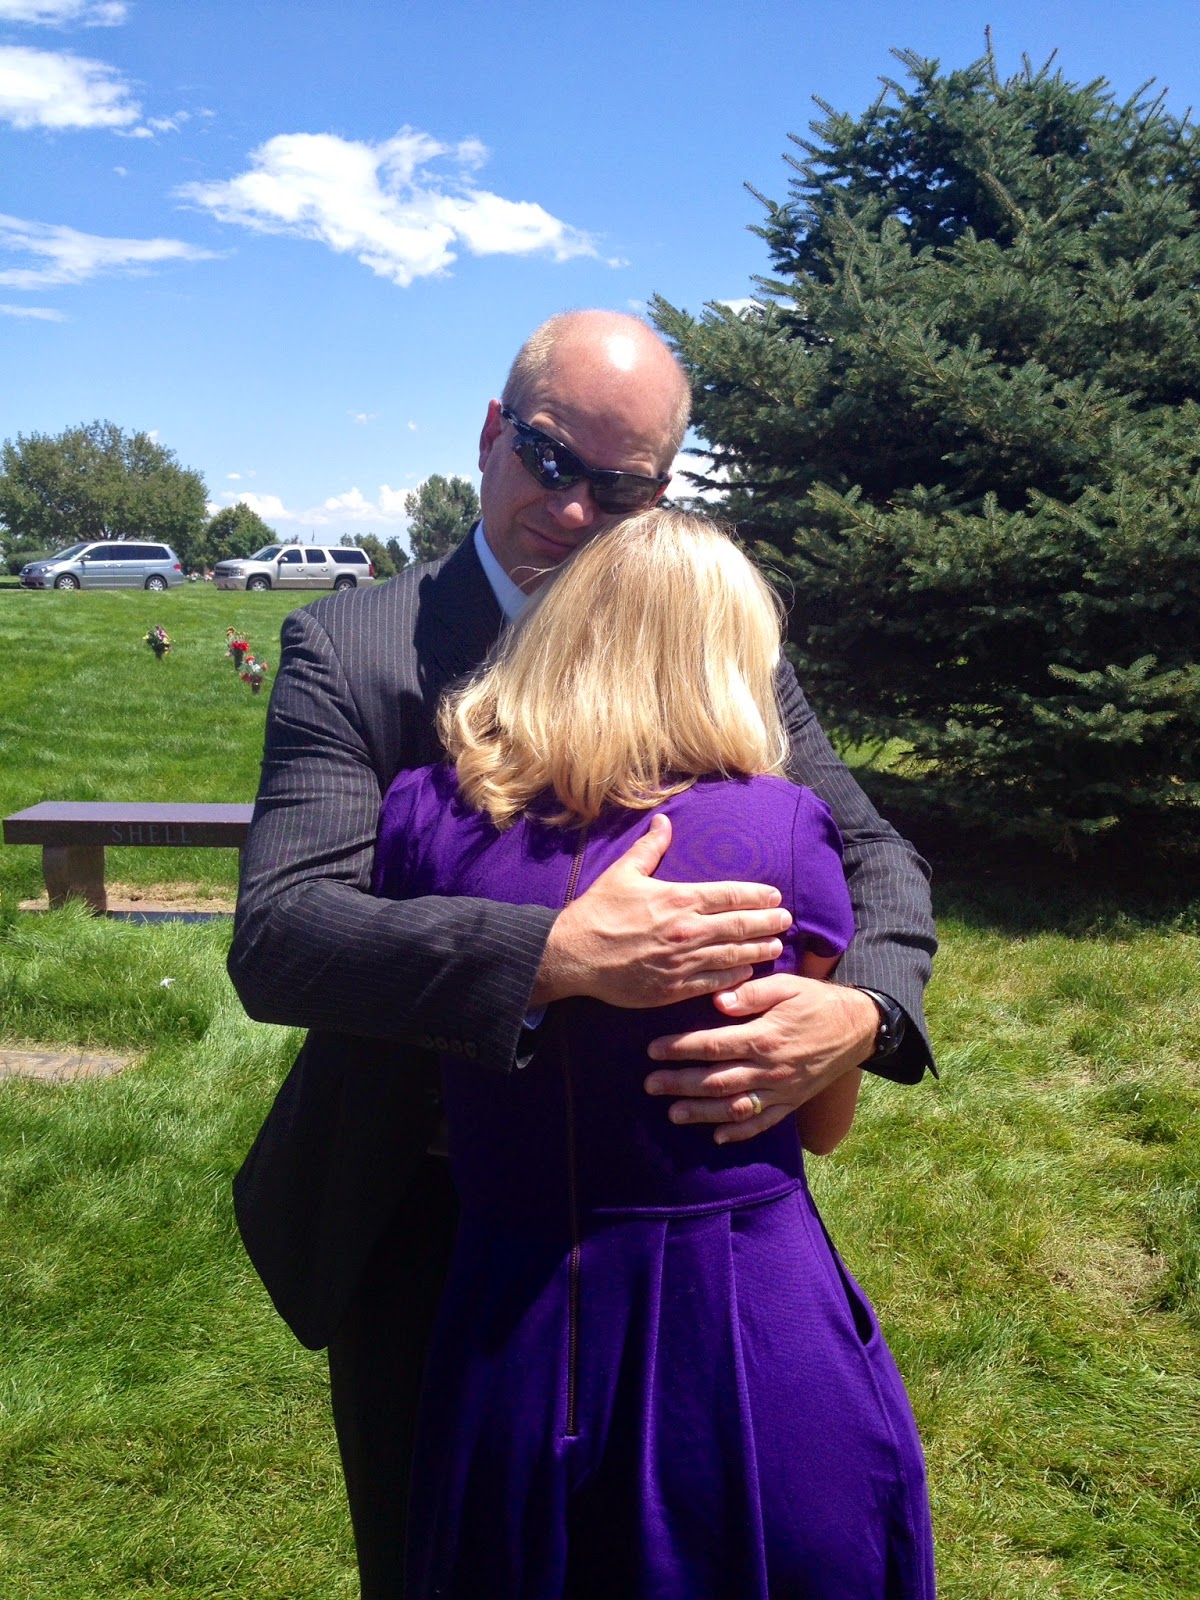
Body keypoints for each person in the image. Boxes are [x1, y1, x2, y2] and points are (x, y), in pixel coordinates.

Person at [228, 310, 937, 1597]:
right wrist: (548, 951)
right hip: (425, 1211)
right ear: (490, 433)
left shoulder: (706, 641)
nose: (573, 511)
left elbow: (875, 853)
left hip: (673, 1229)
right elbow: (283, 932)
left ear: (660, 492)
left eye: (621, 488)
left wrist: (864, 1015)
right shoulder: (356, 647)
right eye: (550, 460)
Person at [378, 509, 934, 1598]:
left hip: (509, 1314)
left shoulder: (423, 817)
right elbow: (820, 1123)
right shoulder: (783, 830)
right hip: (737, 1322)